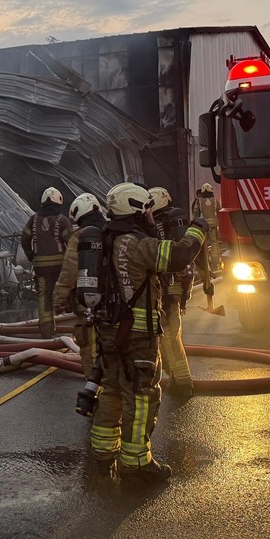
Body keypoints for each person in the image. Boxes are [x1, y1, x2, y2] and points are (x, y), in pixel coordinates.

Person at [89, 182, 206, 482]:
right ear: (138, 210)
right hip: (137, 337)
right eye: (148, 210)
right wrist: (198, 229)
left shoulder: (104, 239)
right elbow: (178, 256)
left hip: (107, 333)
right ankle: (137, 463)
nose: (151, 216)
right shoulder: (137, 244)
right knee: (142, 397)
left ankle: (103, 456)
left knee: (112, 390)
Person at [148, 187, 211, 399]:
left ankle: (183, 382)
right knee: (169, 335)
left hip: (169, 285)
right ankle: (177, 378)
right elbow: (198, 251)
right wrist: (206, 279)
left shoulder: (160, 223)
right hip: (178, 285)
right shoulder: (181, 221)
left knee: (169, 335)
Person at [52, 192, 108, 381]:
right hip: (114, 305)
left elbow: (69, 271)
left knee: (88, 348)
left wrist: (58, 300)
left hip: (87, 305)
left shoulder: (80, 237)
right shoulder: (112, 232)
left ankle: (94, 388)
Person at [21, 187, 72, 338]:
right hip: (61, 266)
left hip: (41, 267)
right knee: (67, 291)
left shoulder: (33, 219)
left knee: (44, 296)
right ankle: (73, 325)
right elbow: (72, 242)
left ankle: (47, 331)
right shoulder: (63, 220)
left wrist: (31, 255)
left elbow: (24, 239)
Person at [191, 182, 221, 273]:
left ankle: (205, 262)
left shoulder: (199, 201)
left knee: (204, 245)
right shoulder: (215, 200)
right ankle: (215, 263)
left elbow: (195, 214)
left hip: (203, 227)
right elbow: (219, 212)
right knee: (214, 243)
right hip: (213, 226)